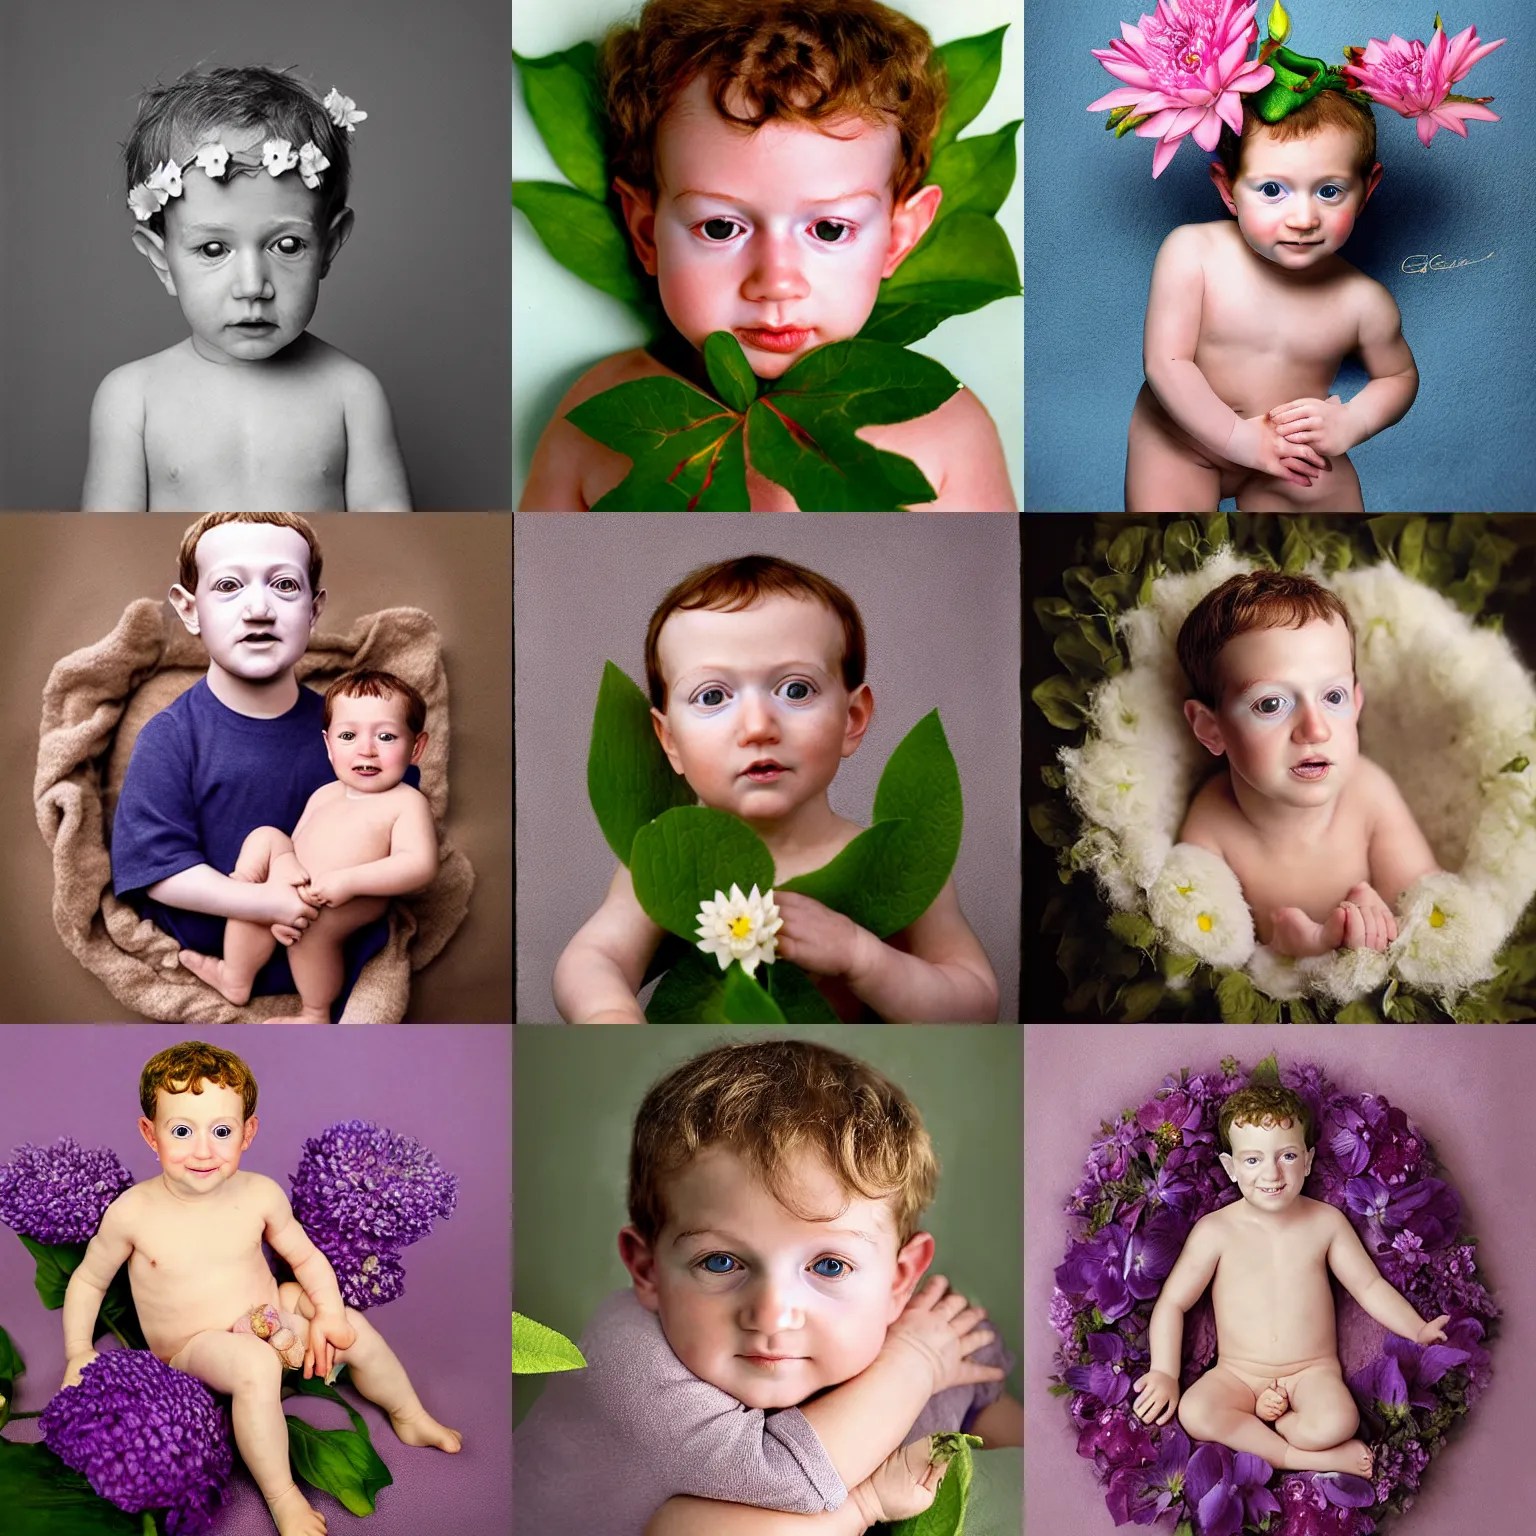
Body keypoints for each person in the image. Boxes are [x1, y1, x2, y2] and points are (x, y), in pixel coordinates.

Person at [518, 0, 1015, 511]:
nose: (775, 282)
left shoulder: (947, 430)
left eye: (828, 229)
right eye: (720, 227)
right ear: (647, 234)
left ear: (896, 239)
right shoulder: (596, 417)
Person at [513, 1038, 1022, 1535]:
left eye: (829, 1266)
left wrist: (934, 1368)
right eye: (720, 1262)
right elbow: (780, 1476)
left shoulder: (930, 1333)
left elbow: (1018, 1447)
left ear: (900, 1279)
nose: (772, 1313)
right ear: (647, 1270)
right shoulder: (625, 1359)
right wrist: (870, 1494)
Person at [553, 554, 999, 1021]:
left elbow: (977, 1003)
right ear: (670, 742)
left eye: (795, 690)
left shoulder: (894, 862)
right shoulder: (670, 859)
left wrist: (862, 957)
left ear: (851, 719)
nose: (758, 726)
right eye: (712, 696)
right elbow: (593, 958)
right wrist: (609, 1013)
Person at [60, 1041, 460, 1536]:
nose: (203, 1150)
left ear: (247, 1133)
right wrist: (78, 1350)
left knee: (352, 1328)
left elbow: (305, 1257)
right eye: (182, 1131)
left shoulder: (260, 1194)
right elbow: (89, 1279)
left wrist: (329, 1313)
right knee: (254, 1364)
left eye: (221, 1131)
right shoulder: (133, 1213)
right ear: (150, 1133)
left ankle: (408, 1412)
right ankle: (283, 1496)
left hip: (268, 1315)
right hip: (195, 1346)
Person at [110, 512, 415, 1016]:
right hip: (215, 963)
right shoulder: (171, 738)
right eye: (229, 586)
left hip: (331, 957)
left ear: (314, 610)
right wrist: (267, 903)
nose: (258, 609)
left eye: (284, 585)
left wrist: (323, 897)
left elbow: (396, 827)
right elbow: (157, 867)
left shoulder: (352, 733)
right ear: (190, 609)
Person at [83, 65, 410, 511]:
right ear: (162, 260)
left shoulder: (352, 394)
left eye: (287, 245)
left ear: (329, 244)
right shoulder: (131, 400)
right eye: (213, 249)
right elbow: (106, 544)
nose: (253, 286)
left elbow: (389, 540)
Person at [1131, 1084, 1450, 1477]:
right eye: (1252, 1160)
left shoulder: (1325, 1223)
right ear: (1230, 1168)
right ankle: (1300, 1458)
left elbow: (1368, 1286)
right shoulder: (1215, 1231)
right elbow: (1173, 1302)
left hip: (1310, 1372)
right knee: (1196, 1411)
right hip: (1238, 1374)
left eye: (1287, 1156)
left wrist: (1417, 1329)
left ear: (1308, 1160)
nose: (1272, 1173)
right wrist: (1165, 1371)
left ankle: (1284, 1423)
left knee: (1339, 1421)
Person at [1125, 89, 1416, 513]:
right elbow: (1166, 364)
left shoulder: (1363, 302)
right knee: (1170, 539)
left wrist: (1353, 420)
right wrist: (1239, 439)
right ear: (1228, 188)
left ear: (1366, 189)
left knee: (1335, 529)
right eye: (1273, 189)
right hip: (1180, 441)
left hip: (1289, 449)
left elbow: (1398, 376)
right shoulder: (1193, 253)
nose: (1303, 219)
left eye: (1329, 191)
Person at [1175, 569, 1440, 957]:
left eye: (1333, 697)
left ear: (1356, 704)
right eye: (1271, 704)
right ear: (1211, 729)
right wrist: (1291, 950)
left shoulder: (1368, 793)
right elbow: (1210, 952)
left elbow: (1429, 909)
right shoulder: (1212, 825)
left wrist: (1379, 920)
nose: (1315, 729)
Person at [177, 669, 437, 1024]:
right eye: (348, 736)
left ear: (416, 748)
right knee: (266, 837)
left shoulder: (406, 802)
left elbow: (419, 864)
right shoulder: (324, 793)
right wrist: (282, 885)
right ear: (329, 746)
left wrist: (349, 882)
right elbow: (296, 844)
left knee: (313, 934)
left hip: (344, 901)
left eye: (386, 736)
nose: (367, 749)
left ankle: (315, 1013)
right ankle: (235, 975)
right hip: (297, 885)